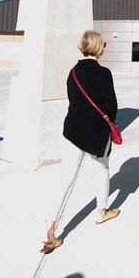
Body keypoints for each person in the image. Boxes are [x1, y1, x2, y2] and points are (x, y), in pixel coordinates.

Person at [41, 30, 120, 254]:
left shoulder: (73, 72)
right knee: (102, 171)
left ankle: (50, 226)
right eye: (103, 44)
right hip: (96, 133)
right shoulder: (104, 73)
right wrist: (111, 121)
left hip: (73, 131)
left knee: (65, 180)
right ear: (98, 48)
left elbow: (73, 100)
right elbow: (112, 106)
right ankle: (101, 212)